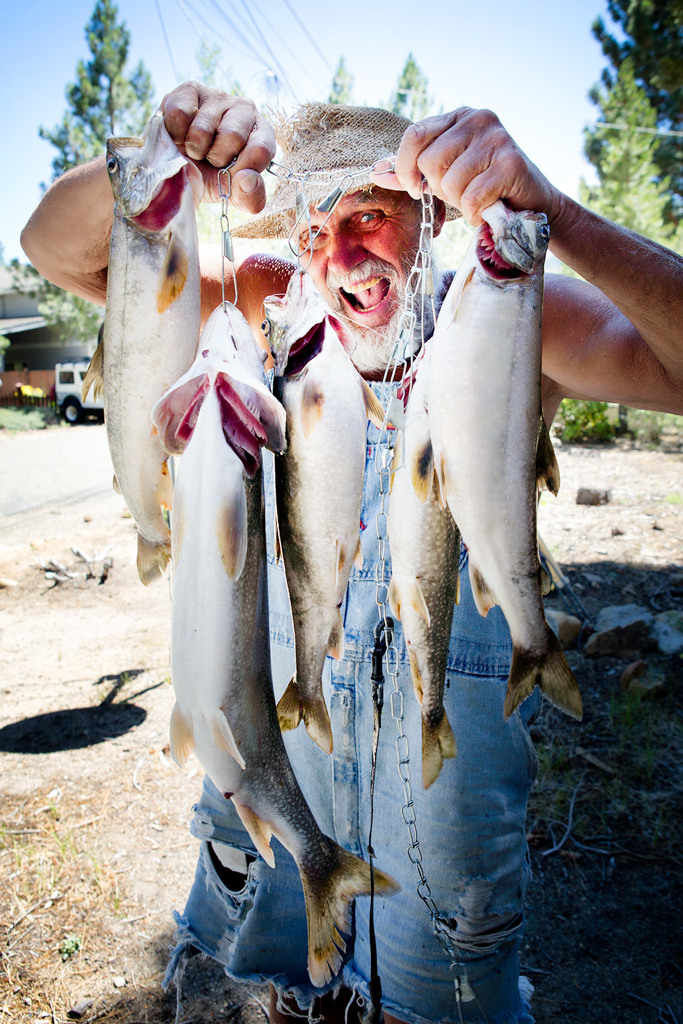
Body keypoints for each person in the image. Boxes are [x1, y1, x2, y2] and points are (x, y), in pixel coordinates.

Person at [21, 83, 683, 1024]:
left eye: (369, 216)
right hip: (281, 785)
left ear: (430, 217)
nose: (341, 255)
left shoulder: (507, 317)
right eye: (315, 228)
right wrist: (162, 157)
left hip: (443, 828)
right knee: (285, 995)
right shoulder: (261, 313)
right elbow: (59, 249)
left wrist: (555, 214)